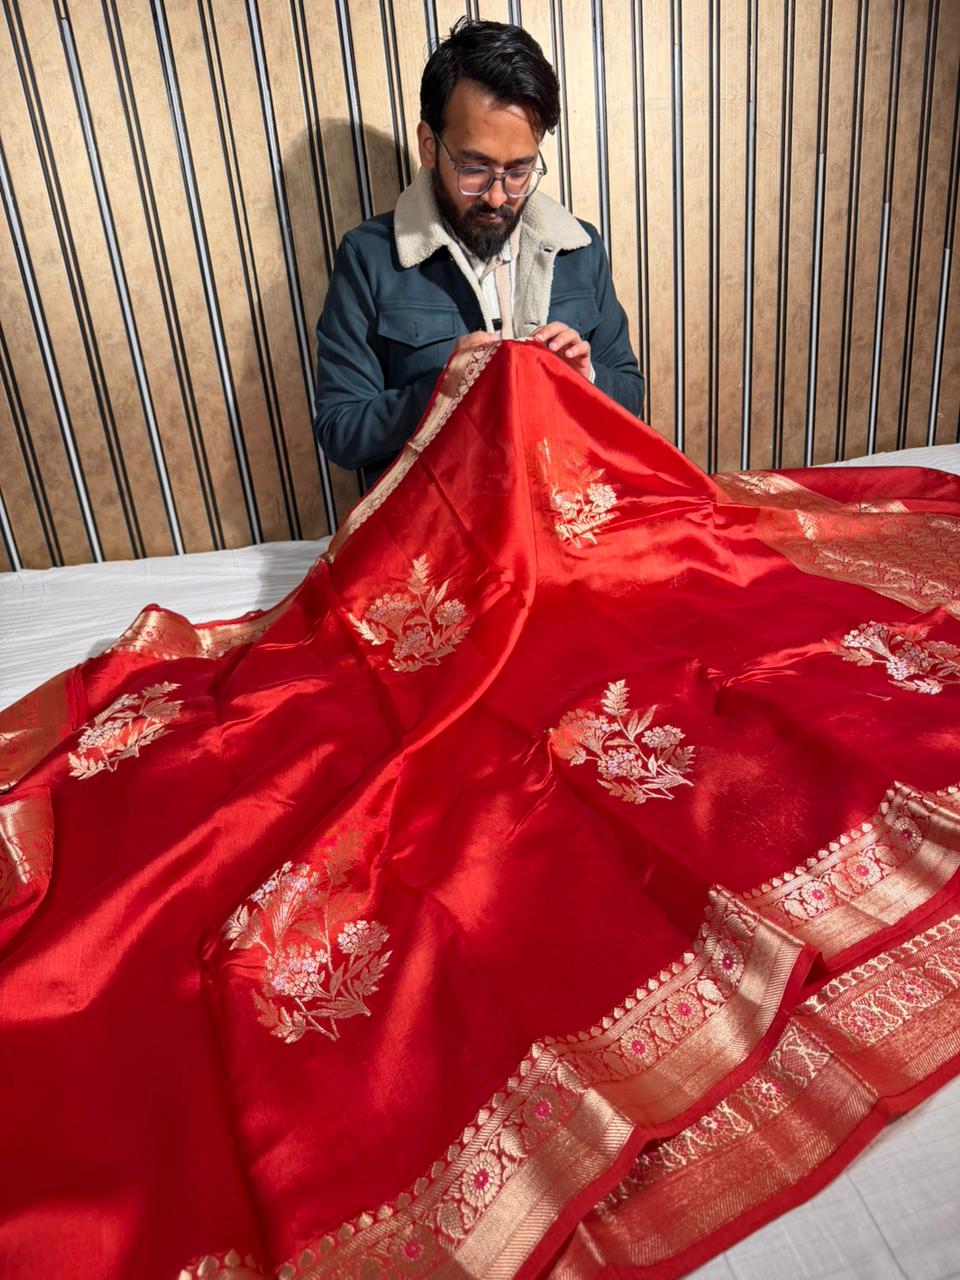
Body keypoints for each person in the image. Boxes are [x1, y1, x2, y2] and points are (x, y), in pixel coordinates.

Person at [313, 18, 644, 484]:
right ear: (429, 146)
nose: (496, 196)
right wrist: (439, 394)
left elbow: (630, 393)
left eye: (519, 171)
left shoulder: (579, 247)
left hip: (564, 514)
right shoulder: (368, 259)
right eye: (473, 168)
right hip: (437, 530)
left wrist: (586, 380)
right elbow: (340, 432)